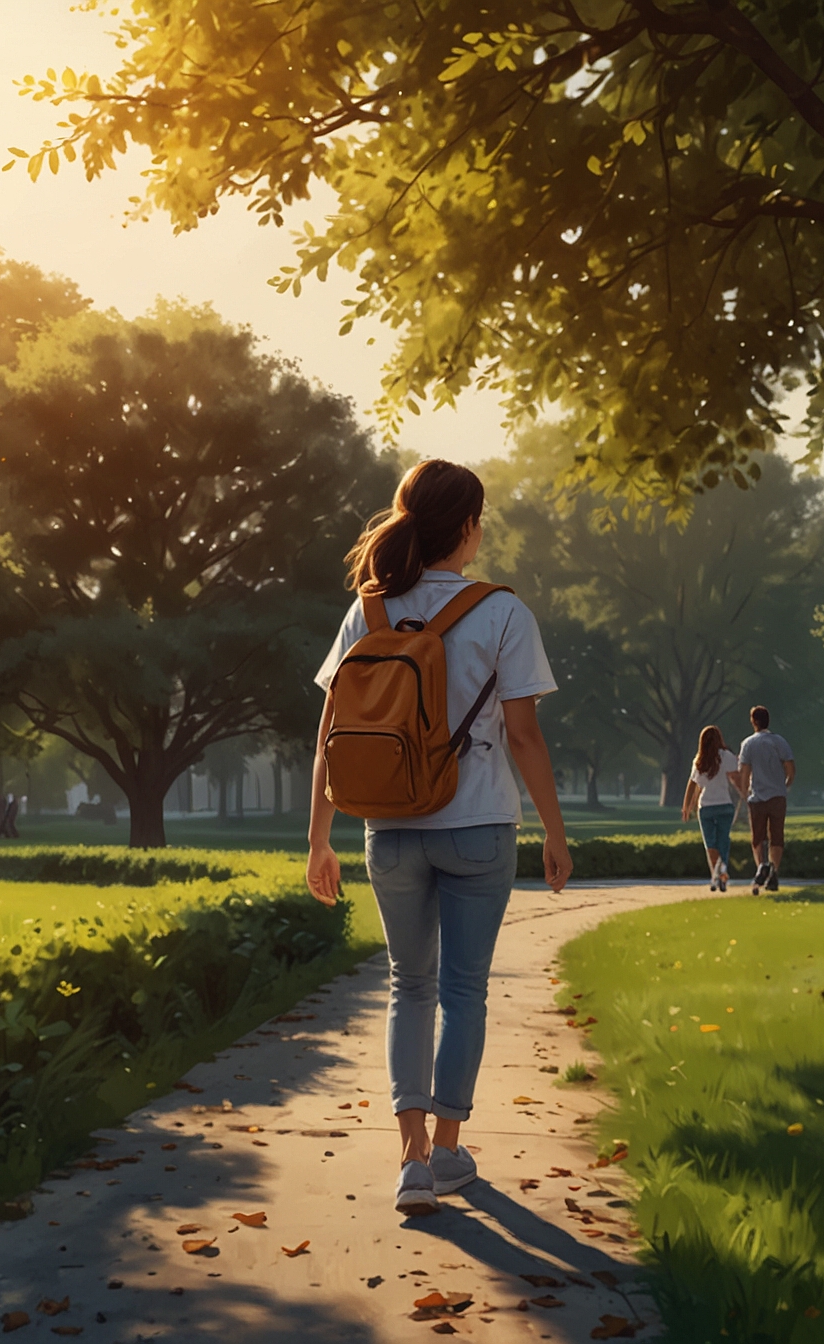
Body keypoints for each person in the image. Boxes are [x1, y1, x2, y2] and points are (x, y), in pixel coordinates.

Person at [305, 458, 572, 1219]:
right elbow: (524, 736)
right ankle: (450, 1150)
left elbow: (330, 734)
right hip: (479, 826)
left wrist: (319, 841)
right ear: (468, 527)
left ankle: (411, 1162)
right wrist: (554, 831)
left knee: (408, 987)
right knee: (463, 991)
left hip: (387, 831)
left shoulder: (370, 611)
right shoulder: (502, 613)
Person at [737, 705, 794, 894]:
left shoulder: (748, 744)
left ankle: (761, 865)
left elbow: (744, 771)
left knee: (758, 837)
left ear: (753, 722)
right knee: (777, 836)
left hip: (758, 796)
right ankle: (774, 871)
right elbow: (790, 768)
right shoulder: (780, 741)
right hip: (777, 795)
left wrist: (744, 792)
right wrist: (785, 785)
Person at [679, 725, 741, 892]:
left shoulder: (700, 760)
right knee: (723, 842)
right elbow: (737, 776)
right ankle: (722, 871)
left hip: (706, 807)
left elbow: (692, 785)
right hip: (725, 806)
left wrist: (686, 807)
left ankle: (716, 874)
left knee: (710, 844)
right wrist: (745, 794)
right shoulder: (726, 756)